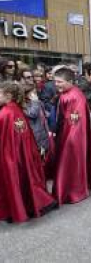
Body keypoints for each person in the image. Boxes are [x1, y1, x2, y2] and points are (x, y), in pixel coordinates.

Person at [0, 82, 56, 222]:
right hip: (21, 155)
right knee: (25, 180)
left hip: (11, 156)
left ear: (8, 95)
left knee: (17, 181)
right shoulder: (15, 110)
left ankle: (22, 207)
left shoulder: (6, 113)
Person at [52, 66, 91, 205]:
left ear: (70, 81)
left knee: (70, 163)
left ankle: (72, 192)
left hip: (71, 137)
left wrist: (71, 140)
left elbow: (76, 121)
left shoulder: (75, 96)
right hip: (63, 133)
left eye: (60, 82)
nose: (57, 85)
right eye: (55, 82)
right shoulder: (65, 94)